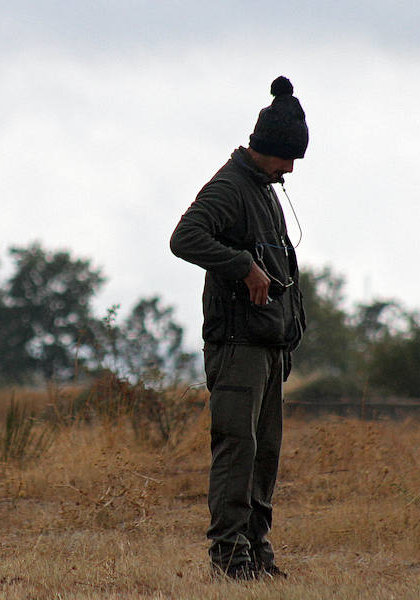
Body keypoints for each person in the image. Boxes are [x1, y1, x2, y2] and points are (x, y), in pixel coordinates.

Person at [169, 75, 308, 581]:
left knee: (263, 454)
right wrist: (242, 266)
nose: (290, 169)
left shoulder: (265, 190)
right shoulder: (230, 186)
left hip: (268, 345)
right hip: (237, 345)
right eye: (286, 158)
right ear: (266, 147)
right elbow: (184, 238)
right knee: (237, 449)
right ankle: (229, 557)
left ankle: (255, 548)